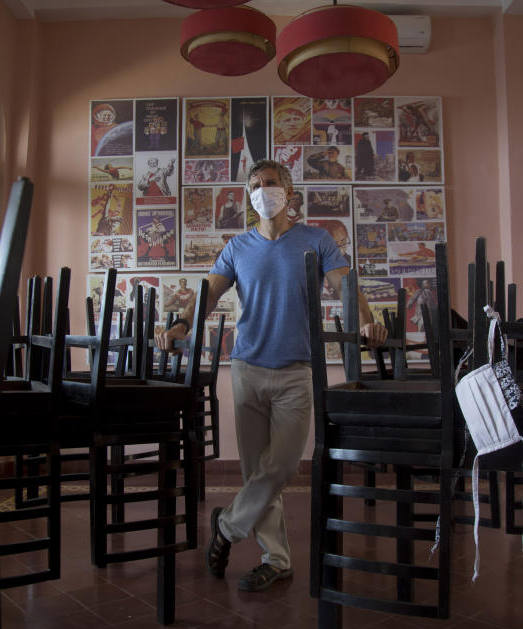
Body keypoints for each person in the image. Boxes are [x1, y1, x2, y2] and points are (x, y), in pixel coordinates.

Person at [155, 159, 386, 593]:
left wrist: (369, 321)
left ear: (289, 192)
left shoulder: (316, 241)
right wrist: (181, 326)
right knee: (255, 471)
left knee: (279, 467)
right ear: (249, 195)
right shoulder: (237, 248)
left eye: (271, 183)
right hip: (247, 368)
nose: (263, 190)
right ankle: (276, 560)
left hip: (298, 370)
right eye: (256, 184)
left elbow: (346, 288)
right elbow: (207, 294)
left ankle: (227, 525)